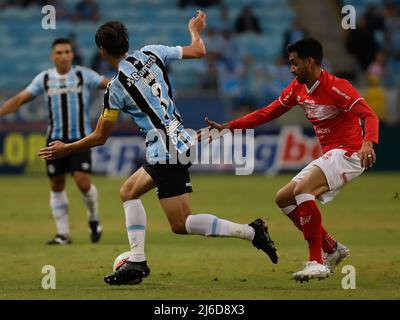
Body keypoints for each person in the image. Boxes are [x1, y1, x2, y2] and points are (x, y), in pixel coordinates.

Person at [38, 11, 278, 286]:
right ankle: (252, 231)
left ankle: (137, 261)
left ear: (102, 52)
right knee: (179, 222)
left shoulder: (115, 89)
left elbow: (99, 137)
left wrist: (65, 148)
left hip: (166, 150)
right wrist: (194, 30)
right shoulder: (153, 52)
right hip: (182, 141)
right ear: (127, 41)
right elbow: (199, 51)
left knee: (129, 192)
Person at [204, 38, 379, 282]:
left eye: (295, 64)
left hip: (348, 153)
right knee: (283, 198)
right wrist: (228, 127)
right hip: (331, 153)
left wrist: (368, 142)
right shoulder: (297, 89)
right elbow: (268, 112)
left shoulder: (337, 87)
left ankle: (316, 261)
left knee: (303, 190)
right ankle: (333, 248)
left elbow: (369, 115)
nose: (291, 69)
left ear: (310, 62)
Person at [0, 38, 110, 245]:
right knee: (57, 184)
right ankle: (63, 234)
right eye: (59, 52)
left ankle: (93, 218)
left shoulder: (83, 75)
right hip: (54, 139)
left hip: (80, 138)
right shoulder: (44, 78)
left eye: (67, 51)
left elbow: (108, 84)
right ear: (52, 56)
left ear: (72, 54)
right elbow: (20, 99)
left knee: (83, 183)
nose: (63, 55)